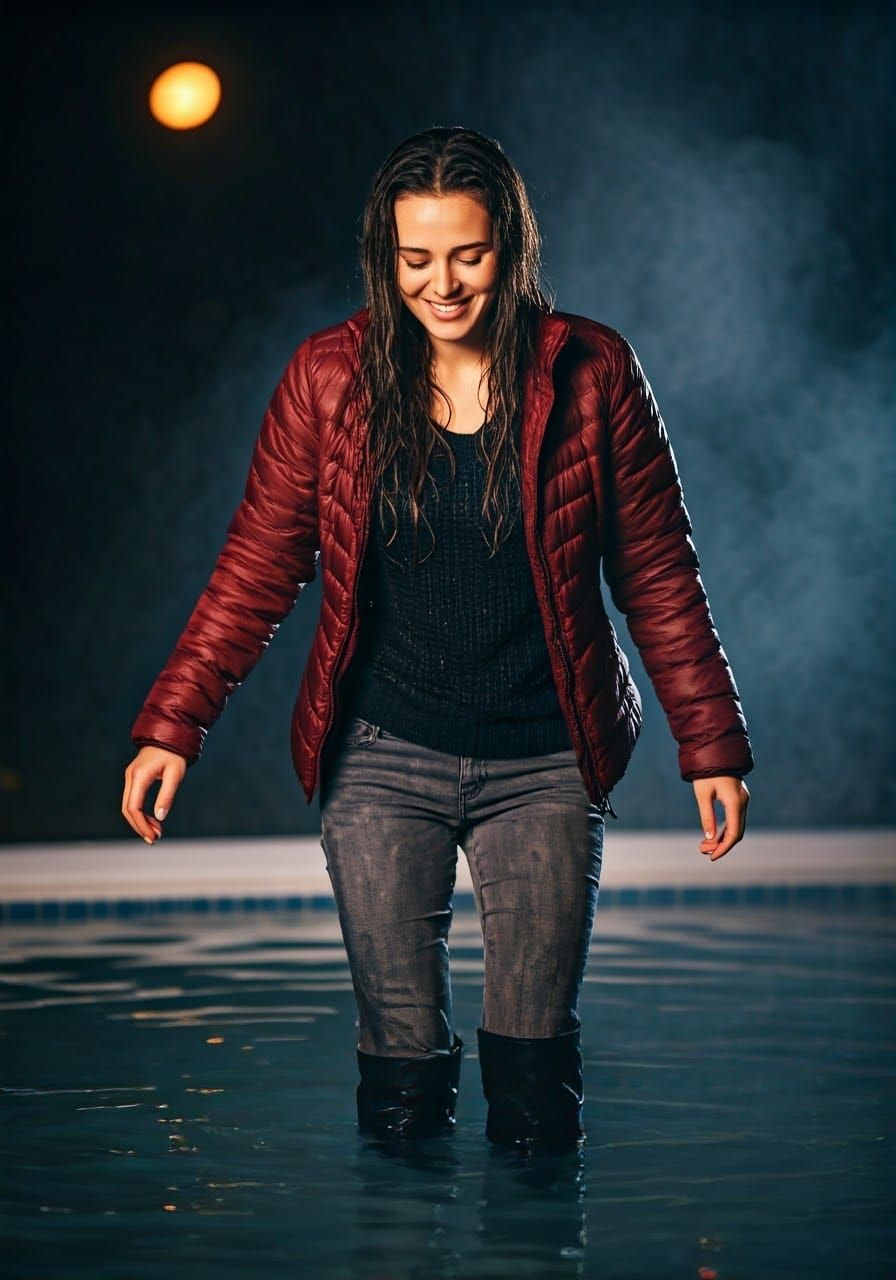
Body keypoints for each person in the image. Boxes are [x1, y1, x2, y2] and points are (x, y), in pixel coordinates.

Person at [123, 126, 754, 1152]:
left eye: (469, 254)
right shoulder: (327, 376)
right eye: (416, 259)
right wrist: (172, 726)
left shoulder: (594, 370)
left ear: (512, 246)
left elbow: (656, 570)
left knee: (536, 1085)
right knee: (401, 1078)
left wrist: (711, 744)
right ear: (386, 256)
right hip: (381, 758)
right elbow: (256, 566)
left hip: (545, 761)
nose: (443, 284)